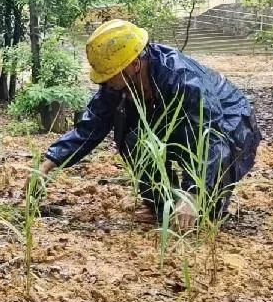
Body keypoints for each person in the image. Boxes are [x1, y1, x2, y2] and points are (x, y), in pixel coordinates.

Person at [36, 19, 261, 231]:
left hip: (230, 125)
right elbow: (91, 125)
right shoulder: (117, 84)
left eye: (110, 75)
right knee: (134, 140)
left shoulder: (182, 79)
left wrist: (193, 194)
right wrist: (47, 164)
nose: (106, 81)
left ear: (134, 64)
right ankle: (163, 205)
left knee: (206, 215)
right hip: (182, 127)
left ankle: (202, 204)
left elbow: (210, 137)